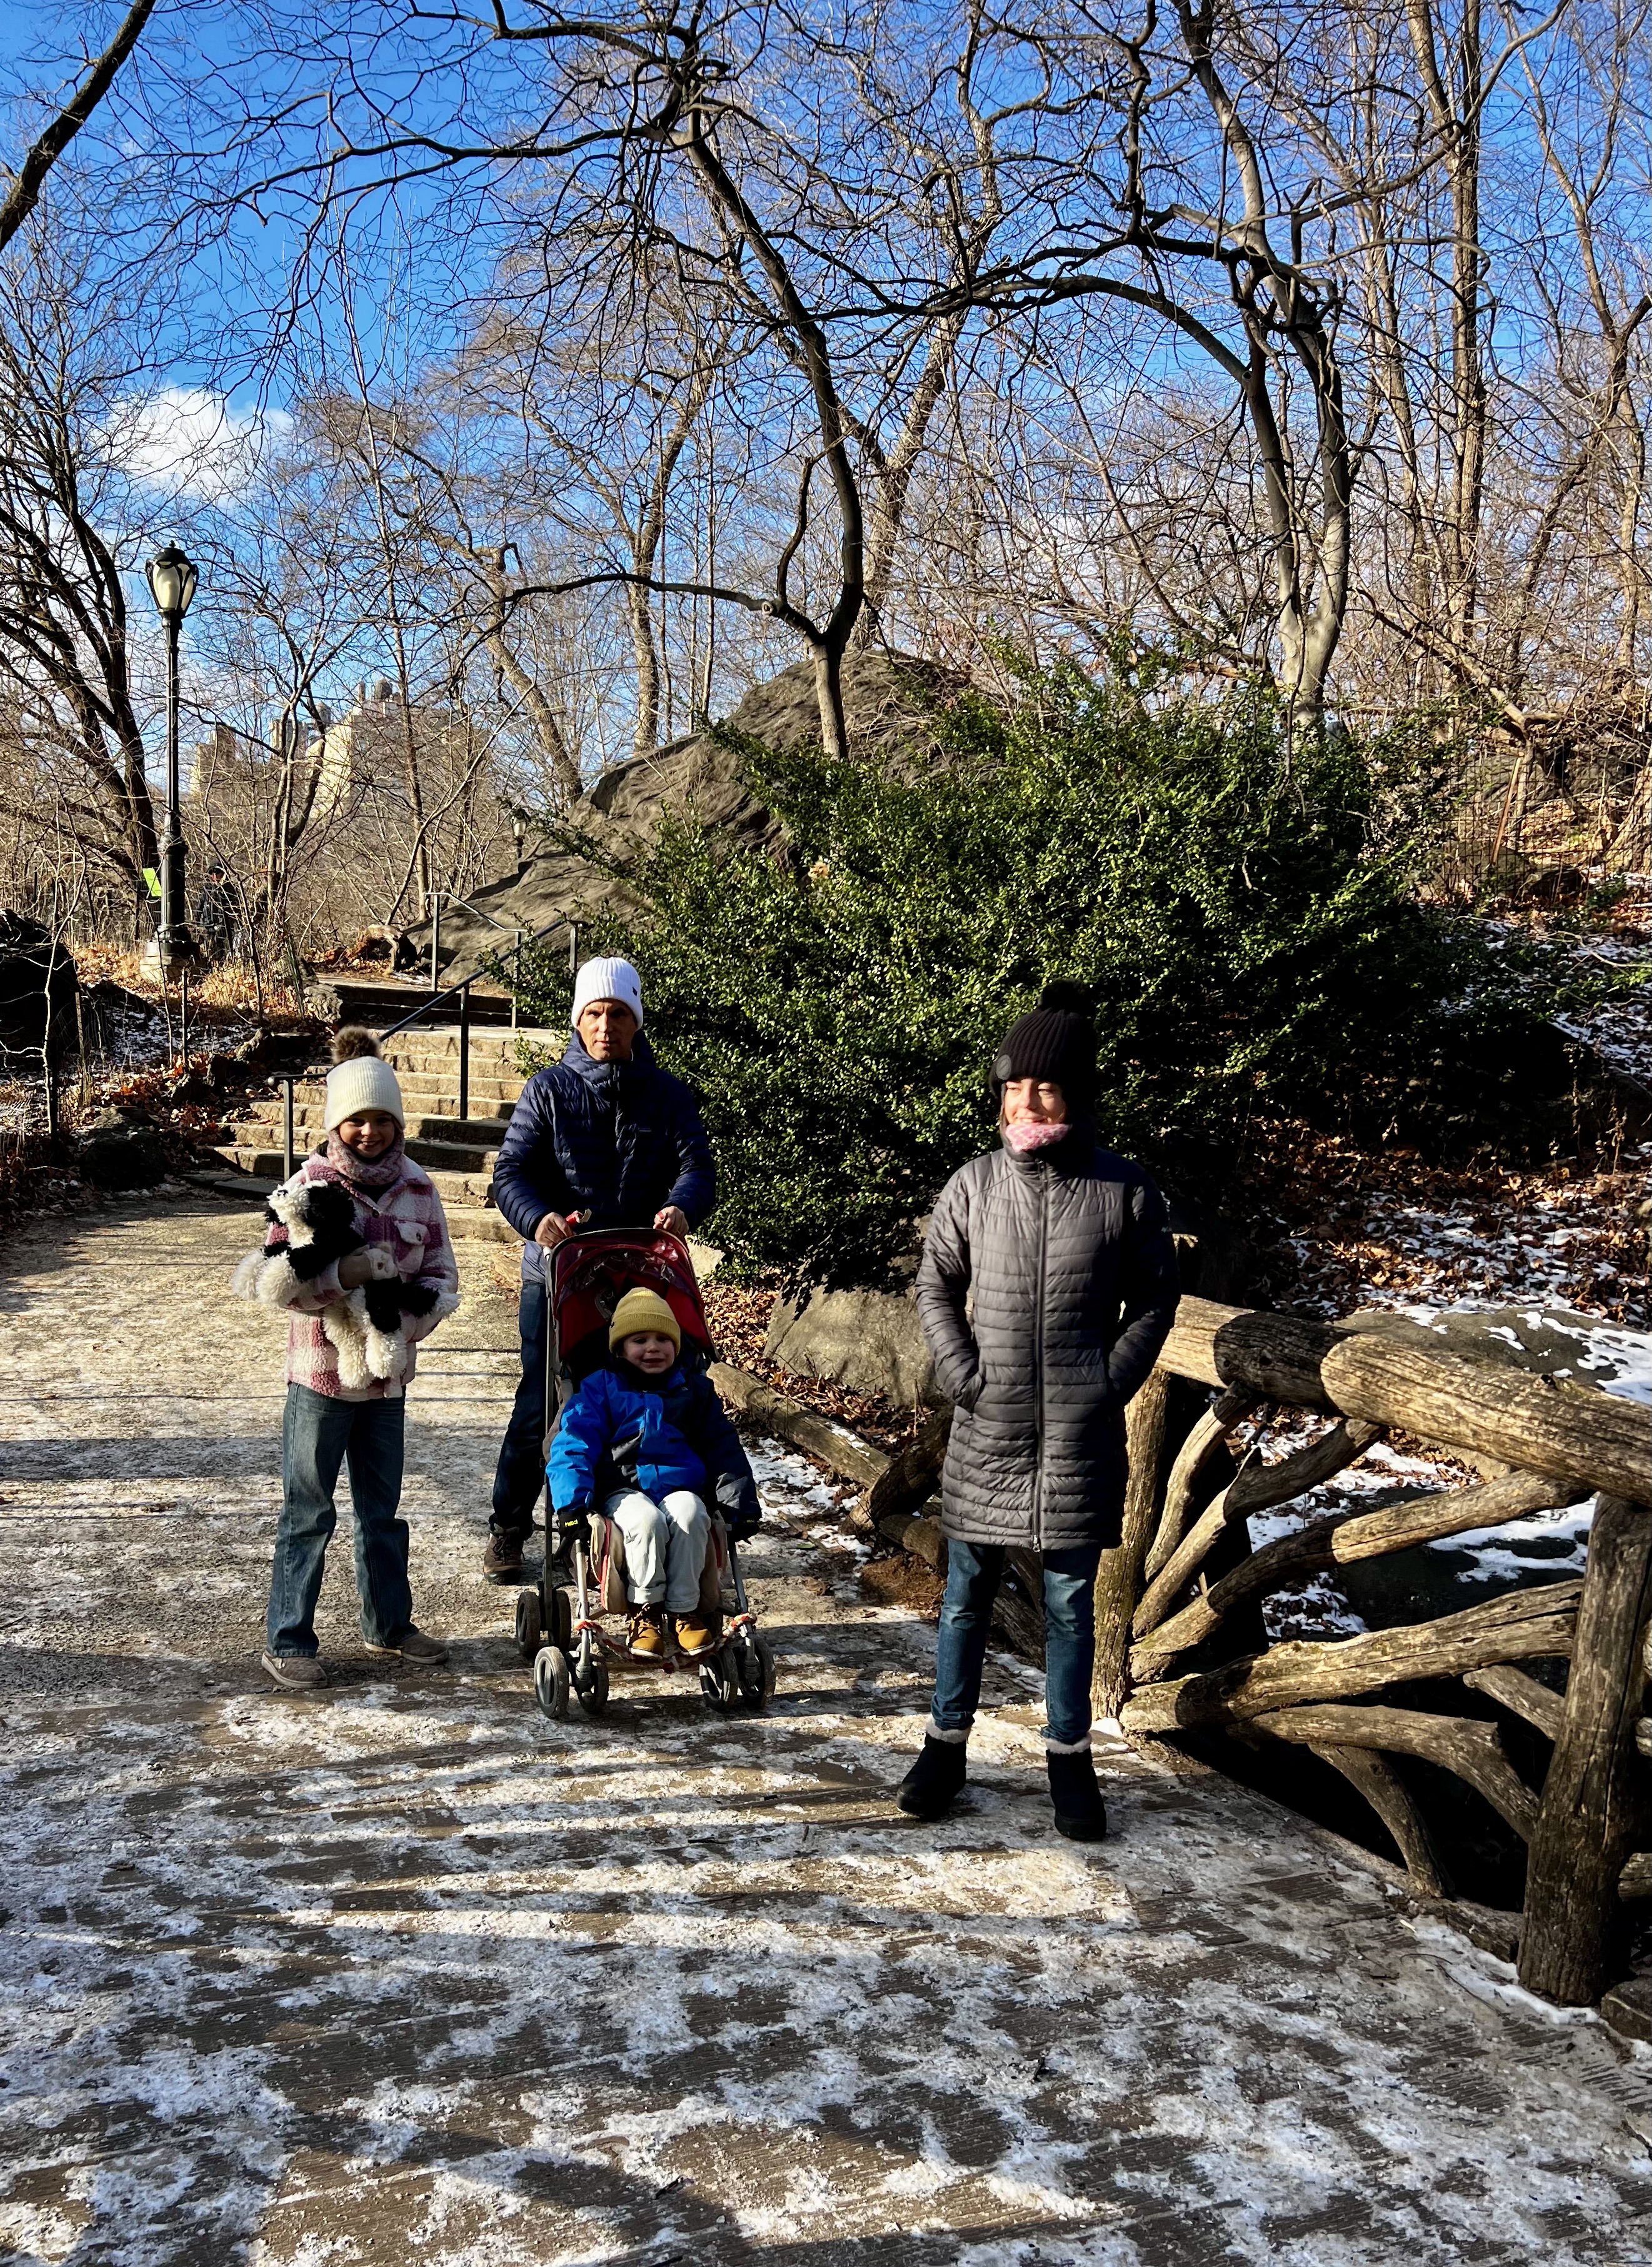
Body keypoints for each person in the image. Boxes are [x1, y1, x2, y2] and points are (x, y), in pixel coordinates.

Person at [897, 982, 1179, 1841]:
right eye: (1013, 1086)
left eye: (1044, 1087)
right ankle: (943, 1748)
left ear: (1075, 1095)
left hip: (1076, 1433)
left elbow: (1157, 1300)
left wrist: (1107, 1381)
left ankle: (1069, 1762)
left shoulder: (1123, 1191)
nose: (1024, 1100)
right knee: (964, 1596)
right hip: (988, 1423)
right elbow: (934, 1284)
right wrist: (963, 1371)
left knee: (1066, 1603)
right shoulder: (972, 1186)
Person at [484, 955, 716, 1583]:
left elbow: (697, 1165)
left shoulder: (668, 1095)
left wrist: (682, 1204)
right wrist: (538, 1218)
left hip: (641, 1278)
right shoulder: (549, 1090)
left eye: (618, 1013)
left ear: (636, 1021)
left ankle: (592, 1535)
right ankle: (511, 1524)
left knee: (632, 1402)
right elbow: (511, 1172)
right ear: (578, 1020)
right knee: (544, 1404)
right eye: (594, 1013)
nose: (606, 1025)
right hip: (558, 1274)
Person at [244, 1028, 460, 1691]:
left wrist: (406, 1324)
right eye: (357, 1119)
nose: (370, 1131)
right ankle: (289, 1636)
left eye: (382, 1119)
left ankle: (388, 1622)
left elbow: (444, 1272)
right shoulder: (307, 1187)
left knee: (382, 1509)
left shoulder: (419, 1187)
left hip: (388, 1384)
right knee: (308, 1509)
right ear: (338, 1122)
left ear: (399, 1122)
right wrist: (345, 1274)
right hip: (320, 1377)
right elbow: (280, 1281)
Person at [548, 1286, 760, 1656]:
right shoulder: (600, 1390)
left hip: (682, 1486)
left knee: (692, 1516)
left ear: (677, 1347)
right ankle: (644, 1610)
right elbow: (573, 1444)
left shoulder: (694, 1392)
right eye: (640, 1340)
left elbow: (722, 1447)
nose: (653, 1348)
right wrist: (571, 1505)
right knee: (646, 1521)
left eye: (664, 1339)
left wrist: (739, 1504)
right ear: (619, 1348)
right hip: (621, 1490)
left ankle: (685, 1610)